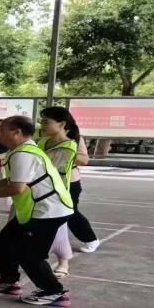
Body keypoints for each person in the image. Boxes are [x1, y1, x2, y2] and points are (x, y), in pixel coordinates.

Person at [0, 116, 74, 306]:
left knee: (30, 255)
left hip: (47, 211)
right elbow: (11, 181)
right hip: (35, 210)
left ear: (16, 132)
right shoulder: (21, 150)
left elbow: (16, 188)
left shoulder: (23, 154)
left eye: (1, 130)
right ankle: (8, 280)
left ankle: (55, 292)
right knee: (6, 240)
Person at [39, 106, 100, 252]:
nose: (42, 125)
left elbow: (84, 160)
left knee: (70, 213)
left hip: (69, 182)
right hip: (48, 182)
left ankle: (90, 239)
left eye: (46, 122)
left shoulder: (73, 140)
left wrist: (63, 154)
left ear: (62, 124)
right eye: (42, 121)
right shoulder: (43, 140)